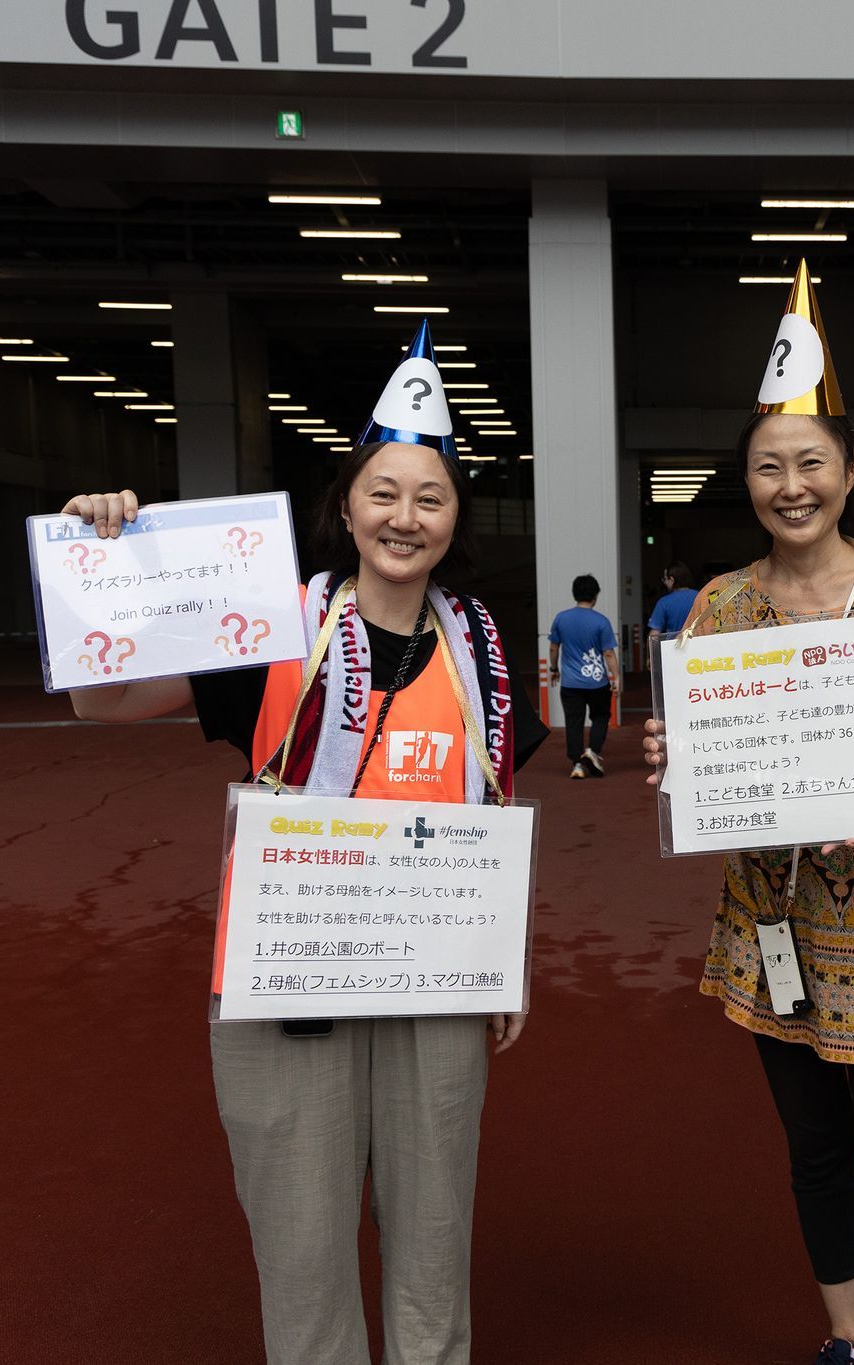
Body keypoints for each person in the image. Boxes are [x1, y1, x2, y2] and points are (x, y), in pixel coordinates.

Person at [60, 320, 547, 1365]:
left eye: (430, 498)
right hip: (289, 969)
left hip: (433, 975)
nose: (404, 517)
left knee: (433, 1239)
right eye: (384, 493)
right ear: (347, 504)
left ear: (456, 518)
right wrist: (101, 560)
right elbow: (104, 700)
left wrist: (503, 961)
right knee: (301, 1241)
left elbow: (495, 811)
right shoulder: (267, 625)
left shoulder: (484, 649)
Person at [641, 261, 854, 1365]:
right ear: (745, 478)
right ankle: (851, 1339)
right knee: (815, 1155)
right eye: (768, 466)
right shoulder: (719, 608)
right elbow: (707, 771)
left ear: (851, 468)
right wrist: (677, 762)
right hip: (771, 918)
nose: (791, 486)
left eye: (810, 463)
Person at [547, 574, 618, 779]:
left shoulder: (561, 618)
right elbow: (608, 653)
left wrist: (554, 669)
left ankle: (577, 765)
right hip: (597, 683)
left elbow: (553, 648)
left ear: (574, 594)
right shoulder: (601, 621)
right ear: (595, 596)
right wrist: (616, 677)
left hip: (570, 684)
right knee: (601, 717)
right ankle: (592, 751)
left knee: (574, 722)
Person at [644, 562, 698, 648]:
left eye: (664, 579)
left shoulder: (664, 602)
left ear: (672, 580)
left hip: (674, 649)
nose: (664, 582)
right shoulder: (700, 596)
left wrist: (649, 654)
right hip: (698, 647)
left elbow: (654, 635)